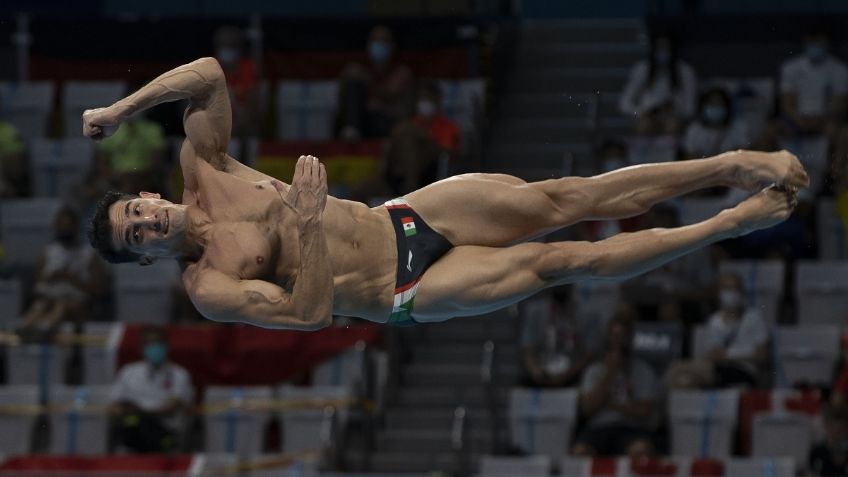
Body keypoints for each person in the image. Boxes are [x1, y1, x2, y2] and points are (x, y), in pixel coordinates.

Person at [81, 57, 808, 330]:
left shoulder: (203, 162)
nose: (146, 222)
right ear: (146, 261)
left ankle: (736, 160)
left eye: (135, 210)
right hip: (404, 287)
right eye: (136, 235)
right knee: (561, 262)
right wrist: (302, 225)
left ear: (146, 192)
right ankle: (729, 223)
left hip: (406, 214)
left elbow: (207, 73)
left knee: (567, 194)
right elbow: (308, 316)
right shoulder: (212, 283)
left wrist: (120, 110)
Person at [572, 316, 659, 458]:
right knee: (580, 452)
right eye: (614, 336)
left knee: (641, 450)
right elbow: (587, 409)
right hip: (599, 428)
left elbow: (645, 410)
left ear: (630, 339)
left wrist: (611, 405)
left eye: (622, 337)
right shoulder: (593, 371)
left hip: (631, 429)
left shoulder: (644, 371)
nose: (618, 342)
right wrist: (610, 373)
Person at [665, 272, 769, 389]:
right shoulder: (714, 320)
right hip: (719, 368)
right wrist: (719, 356)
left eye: (734, 288)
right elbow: (713, 353)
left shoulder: (754, 317)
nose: (730, 293)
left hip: (745, 369)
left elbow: (762, 355)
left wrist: (728, 355)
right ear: (719, 293)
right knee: (683, 381)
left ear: (741, 292)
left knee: (677, 367)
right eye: (726, 288)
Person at [109, 326, 192, 453]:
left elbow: (171, 408)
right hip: (132, 426)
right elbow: (114, 407)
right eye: (149, 343)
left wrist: (141, 411)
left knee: (140, 423)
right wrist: (125, 411)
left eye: (158, 343)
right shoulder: (128, 372)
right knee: (132, 424)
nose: (154, 347)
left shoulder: (180, 374)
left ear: (166, 345)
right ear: (142, 347)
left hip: (165, 429)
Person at [22, 206, 106, 330]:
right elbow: (37, 283)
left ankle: (43, 330)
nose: (64, 229)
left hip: (77, 301)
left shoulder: (89, 254)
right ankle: (23, 330)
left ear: (76, 227)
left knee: (62, 306)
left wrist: (71, 278)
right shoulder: (48, 252)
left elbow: (98, 289)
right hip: (49, 296)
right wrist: (53, 277)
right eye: (61, 226)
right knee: (39, 306)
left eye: (68, 226)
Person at [380, 80, 461, 196]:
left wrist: (425, 138)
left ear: (438, 101)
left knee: (409, 139)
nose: (425, 103)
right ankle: (403, 185)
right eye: (423, 99)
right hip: (397, 173)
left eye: (429, 99)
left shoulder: (448, 126)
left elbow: (448, 151)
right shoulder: (411, 124)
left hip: (429, 173)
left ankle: (410, 186)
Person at [336, 25, 415, 140]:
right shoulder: (362, 69)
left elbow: (389, 94)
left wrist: (366, 79)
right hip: (363, 121)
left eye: (383, 41)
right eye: (375, 40)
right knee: (352, 83)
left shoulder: (402, 72)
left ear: (392, 46)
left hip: (388, 121)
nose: (378, 45)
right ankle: (351, 129)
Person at [618, 32, 697, 136]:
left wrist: (675, 111)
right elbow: (624, 104)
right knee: (644, 126)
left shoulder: (685, 71)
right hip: (645, 115)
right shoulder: (641, 69)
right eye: (660, 48)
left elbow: (690, 109)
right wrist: (641, 113)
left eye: (666, 48)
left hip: (674, 117)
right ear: (653, 49)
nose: (663, 51)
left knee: (671, 125)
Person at [520, 286, 595, 388]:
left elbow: (589, 353)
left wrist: (566, 375)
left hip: (572, 375)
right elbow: (527, 349)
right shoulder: (535, 311)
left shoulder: (586, 312)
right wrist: (536, 372)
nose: (560, 287)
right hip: (542, 373)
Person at [682, 87, 754, 160]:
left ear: (727, 107)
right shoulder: (694, 129)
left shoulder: (738, 128)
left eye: (719, 103)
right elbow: (689, 157)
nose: (715, 107)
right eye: (712, 103)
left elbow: (745, 156)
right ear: (703, 106)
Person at [809, 406, 848, 477]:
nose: (837, 434)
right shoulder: (817, 452)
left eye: (841, 430)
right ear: (827, 428)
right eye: (834, 429)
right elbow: (812, 473)